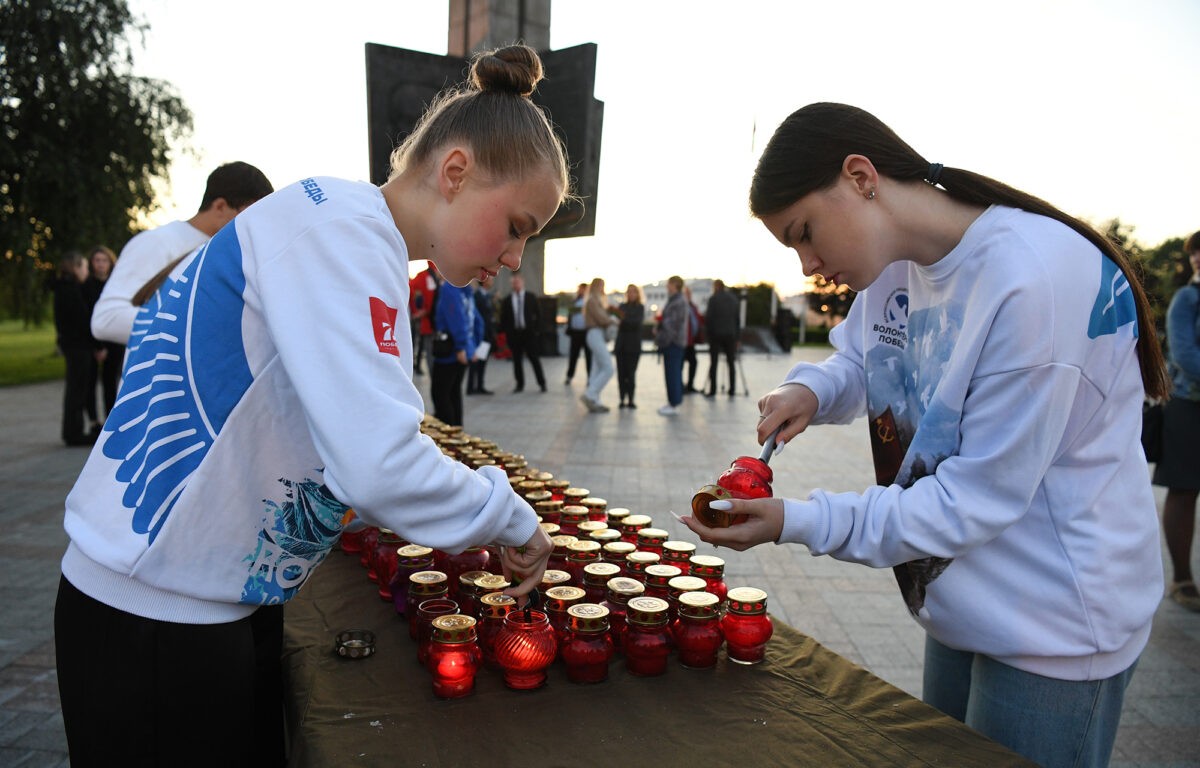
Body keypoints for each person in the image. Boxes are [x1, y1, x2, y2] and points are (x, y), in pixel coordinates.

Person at [54, 44, 565, 766]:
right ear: (456, 172)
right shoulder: (343, 235)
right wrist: (511, 513)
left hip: (189, 598)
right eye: (518, 225)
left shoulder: (348, 228)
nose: (514, 257)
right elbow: (378, 464)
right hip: (153, 617)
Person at [681, 102, 1168, 768]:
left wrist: (795, 520)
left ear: (860, 177)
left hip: (1053, 626)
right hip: (960, 598)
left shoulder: (1034, 283)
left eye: (804, 233)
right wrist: (813, 390)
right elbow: (864, 359)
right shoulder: (894, 269)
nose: (804, 264)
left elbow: (972, 501)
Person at [91, 161, 273, 346]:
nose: (255, 227)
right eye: (249, 216)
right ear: (220, 206)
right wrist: (204, 326)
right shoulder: (158, 242)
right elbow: (106, 319)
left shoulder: (233, 256)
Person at [1152, 230, 1200, 612]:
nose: (1197, 258)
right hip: (1189, 406)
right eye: (1195, 253)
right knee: (1184, 491)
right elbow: (1184, 355)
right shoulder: (1188, 298)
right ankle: (1183, 578)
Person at [52, 251, 100, 446]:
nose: (87, 271)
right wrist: (96, 344)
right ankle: (74, 433)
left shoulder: (66, 288)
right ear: (76, 267)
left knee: (76, 389)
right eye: (84, 267)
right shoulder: (69, 290)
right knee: (77, 390)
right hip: (78, 347)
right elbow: (82, 320)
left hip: (74, 345)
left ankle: (73, 431)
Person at [431, 281, 483, 426]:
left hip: (450, 351)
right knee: (454, 393)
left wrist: (461, 347)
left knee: (440, 394)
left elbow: (456, 319)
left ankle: (449, 435)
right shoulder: (466, 291)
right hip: (462, 350)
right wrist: (472, 346)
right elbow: (478, 322)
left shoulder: (450, 288)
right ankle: (457, 431)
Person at [82, 245, 124, 422]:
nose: (100, 264)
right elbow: (85, 316)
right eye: (97, 260)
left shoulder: (116, 285)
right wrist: (97, 346)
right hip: (92, 340)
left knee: (111, 383)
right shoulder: (86, 286)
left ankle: (110, 420)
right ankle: (93, 421)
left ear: (110, 262)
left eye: (104, 260)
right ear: (92, 263)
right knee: (90, 383)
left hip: (114, 341)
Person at [499, 273, 547, 393]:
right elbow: (503, 319)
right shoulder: (507, 300)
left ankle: (542, 383)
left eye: (517, 282)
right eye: (513, 283)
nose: (515, 285)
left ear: (522, 282)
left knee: (534, 359)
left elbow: (539, 315)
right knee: (516, 361)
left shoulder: (531, 297)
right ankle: (519, 384)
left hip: (529, 334)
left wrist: (537, 331)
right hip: (514, 334)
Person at [580, 276, 617, 413]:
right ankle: (590, 394)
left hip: (597, 334)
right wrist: (613, 320)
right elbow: (601, 319)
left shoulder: (596, 300)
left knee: (596, 369)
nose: (603, 288)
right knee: (608, 367)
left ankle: (595, 399)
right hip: (594, 333)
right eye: (601, 285)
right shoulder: (592, 301)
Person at [655, 275, 688, 416]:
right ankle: (673, 402)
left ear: (675, 285)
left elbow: (672, 324)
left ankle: (673, 403)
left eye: (669, 284)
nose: (667, 286)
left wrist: (660, 328)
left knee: (672, 373)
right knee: (673, 373)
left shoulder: (678, 301)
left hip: (673, 342)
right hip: (673, 342)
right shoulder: (676, 300)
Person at [705, 278, 740, 398]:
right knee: (731, 363)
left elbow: (708, 318)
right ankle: (732, 389)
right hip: (730, 335)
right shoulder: (733, 299)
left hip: (715, 335)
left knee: (714, 363)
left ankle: (713, 389)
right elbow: (737, 320)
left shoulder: (713, 299)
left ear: (716, 286)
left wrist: (708, 335)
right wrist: (737, 337)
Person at [615, 283, 645, 409]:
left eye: (634, 291)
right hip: (621, 345)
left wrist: (624, 320)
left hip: (633, 346)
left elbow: (635, 323)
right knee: (621, 374)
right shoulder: (621, 306)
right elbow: (619, 322)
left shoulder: (640, 308)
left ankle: (631, 399)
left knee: (631, 374)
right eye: (629, 291)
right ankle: (622, 399)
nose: (631, 294)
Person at [409, 260, 441, 375]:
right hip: (428, 322)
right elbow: (428, 299)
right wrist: (417, 311)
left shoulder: (427, 276)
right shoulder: (427, 277)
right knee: (427, 349)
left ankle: (418, 366)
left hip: (429, 321)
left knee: (424, 347)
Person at [466, 279, 496, 395]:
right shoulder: (477, 296)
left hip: (487, 335)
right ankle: (471, 387)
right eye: (490, 279)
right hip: (480, 336)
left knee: (482, 362)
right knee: (475, 362)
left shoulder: (486, 296)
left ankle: (479, 385)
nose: (492, 281)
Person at [564, 282, 592, 383]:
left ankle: (590, 377)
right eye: (579, 289)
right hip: (575, 333)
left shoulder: (589, 301)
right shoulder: (575, 301)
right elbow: (570, 313)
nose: (580, 291)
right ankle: (569, 376)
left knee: (589, 356)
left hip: (586, 332)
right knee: (573, 356)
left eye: (582, 289)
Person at [682, 283, 703, 393]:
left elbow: (697, 322)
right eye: (686, 294)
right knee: (680, 365)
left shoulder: (693, 307)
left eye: (689, 294)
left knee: (693, 363)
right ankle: (680, 386)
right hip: (682, 341)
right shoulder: (681, 306)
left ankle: (690, 385)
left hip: (691, 341)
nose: (688, 296)